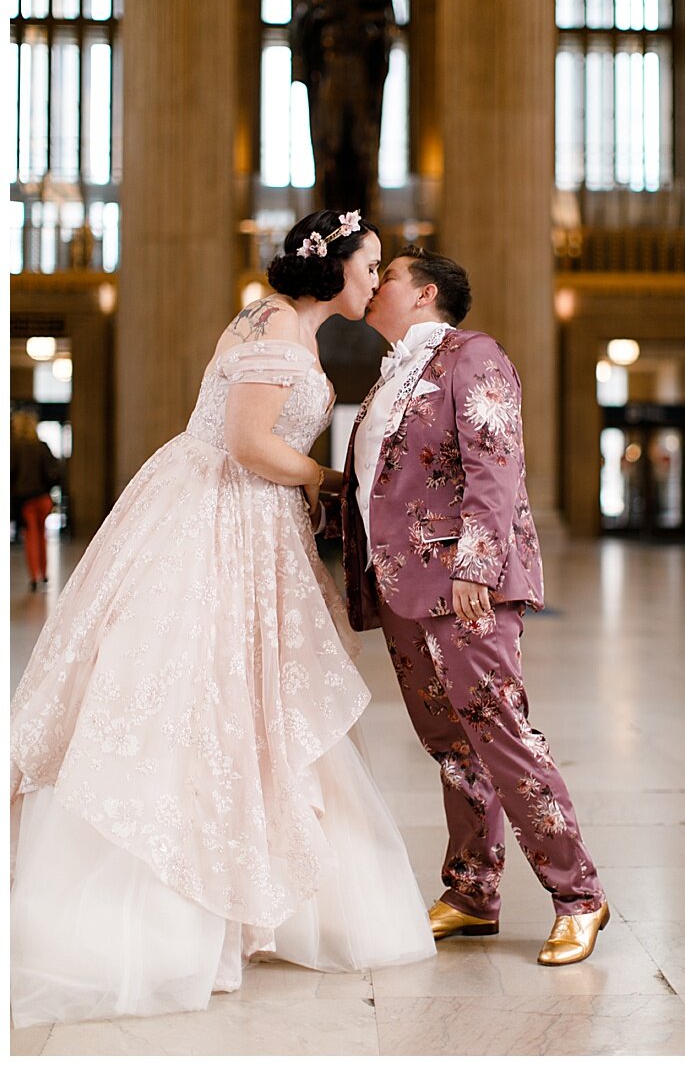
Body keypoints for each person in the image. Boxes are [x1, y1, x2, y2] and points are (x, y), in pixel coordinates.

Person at [10, 209, 435, 1029]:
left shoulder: (268, 317)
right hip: (221, 513)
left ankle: (251, 892)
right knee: (198, 693)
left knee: (245, 700)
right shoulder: (278, 322)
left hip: (226, 511)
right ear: (333, 263)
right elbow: (245, 440)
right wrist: (321, 476)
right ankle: (179, 906)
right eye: (370, 263)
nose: (377, 278)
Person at [341, 245, 609, 964]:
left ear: (424, 292)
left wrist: (477, 568)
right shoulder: (390, 376)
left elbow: (496, 461)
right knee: (452, 745)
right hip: (400, 585)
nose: (375, 286)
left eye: (388, 276)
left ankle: (579, 893)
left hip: (463, 584)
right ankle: (471, 891)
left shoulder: (472, 354)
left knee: (503, 732)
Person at [11, 408, 62, 590]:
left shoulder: (14, 448)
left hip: (25, 499)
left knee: (30, 536)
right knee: (43, 535)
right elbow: (54, 471)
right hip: (43, 497)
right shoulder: (41, 446)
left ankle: (34, 577)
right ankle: (44, 573)